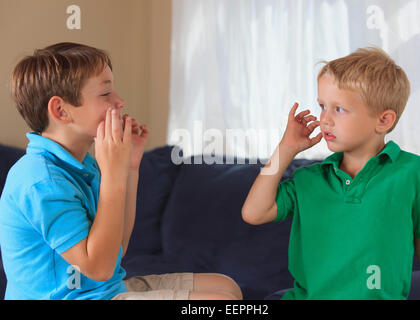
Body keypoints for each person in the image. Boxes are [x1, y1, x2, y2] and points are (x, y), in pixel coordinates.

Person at [0, 42, 242, 300]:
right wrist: (112, 175)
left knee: (226, 287)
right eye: (105, 94)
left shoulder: (81, 165)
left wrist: (129, 168)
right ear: (61, 110)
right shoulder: (41, 180)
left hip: (103, 290)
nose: (119, 101)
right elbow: (99, 268)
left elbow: (117, 248)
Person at [242, 47, 420, 300]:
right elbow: (253, 213)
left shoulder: (413, 172)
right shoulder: (309, 179)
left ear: (383, 120)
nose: (324, 119)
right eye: (322, 106)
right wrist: (285, 150)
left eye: (339, 109)